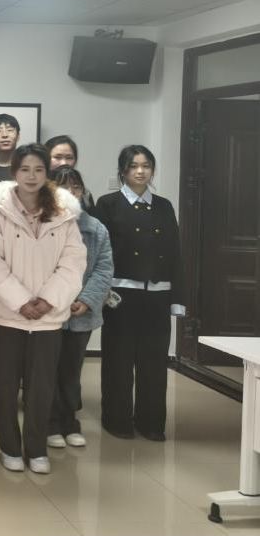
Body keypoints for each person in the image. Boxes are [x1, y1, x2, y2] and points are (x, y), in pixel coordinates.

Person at [0, 144, 86, 474]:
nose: (31, 176)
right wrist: (21, 301)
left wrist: (48, 300)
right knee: (5, 387)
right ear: (14, 172)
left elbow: (73, 263)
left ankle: (37, 449)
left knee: (41, 389)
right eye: (24, 169)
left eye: (38, 169)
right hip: (6, 315)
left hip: (47, 319)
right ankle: (10, 448)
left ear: (46, 173)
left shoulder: (64, 214)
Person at [94, 145, 181, 442]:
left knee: (154, 362)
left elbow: (175, 252)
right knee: (118, 360)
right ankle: (116, 420)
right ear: (123, 170)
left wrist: (178, 298)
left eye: (146, 165)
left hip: (157, 295)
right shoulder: (108, 204)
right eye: (133, 166)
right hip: (120, 295)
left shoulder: (164, 206)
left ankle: (151, 422)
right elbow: (100, 254)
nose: (140, 171)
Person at [48, 166, 114, 449]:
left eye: (75, 187)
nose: (69, 192)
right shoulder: (41, 223)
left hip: (80, 314)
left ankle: (69, 423)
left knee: (71, 372)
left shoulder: (95, 228)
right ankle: (50, 424)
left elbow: (104, 268)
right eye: (62, 186)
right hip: (48, 312)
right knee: (47, 371)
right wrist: (53, 299)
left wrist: (87, 300)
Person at [45, 135, 95, 210]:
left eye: (69, 158)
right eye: (57, 157)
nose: (64, 163)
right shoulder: (34, 191)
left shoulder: (85, 194)